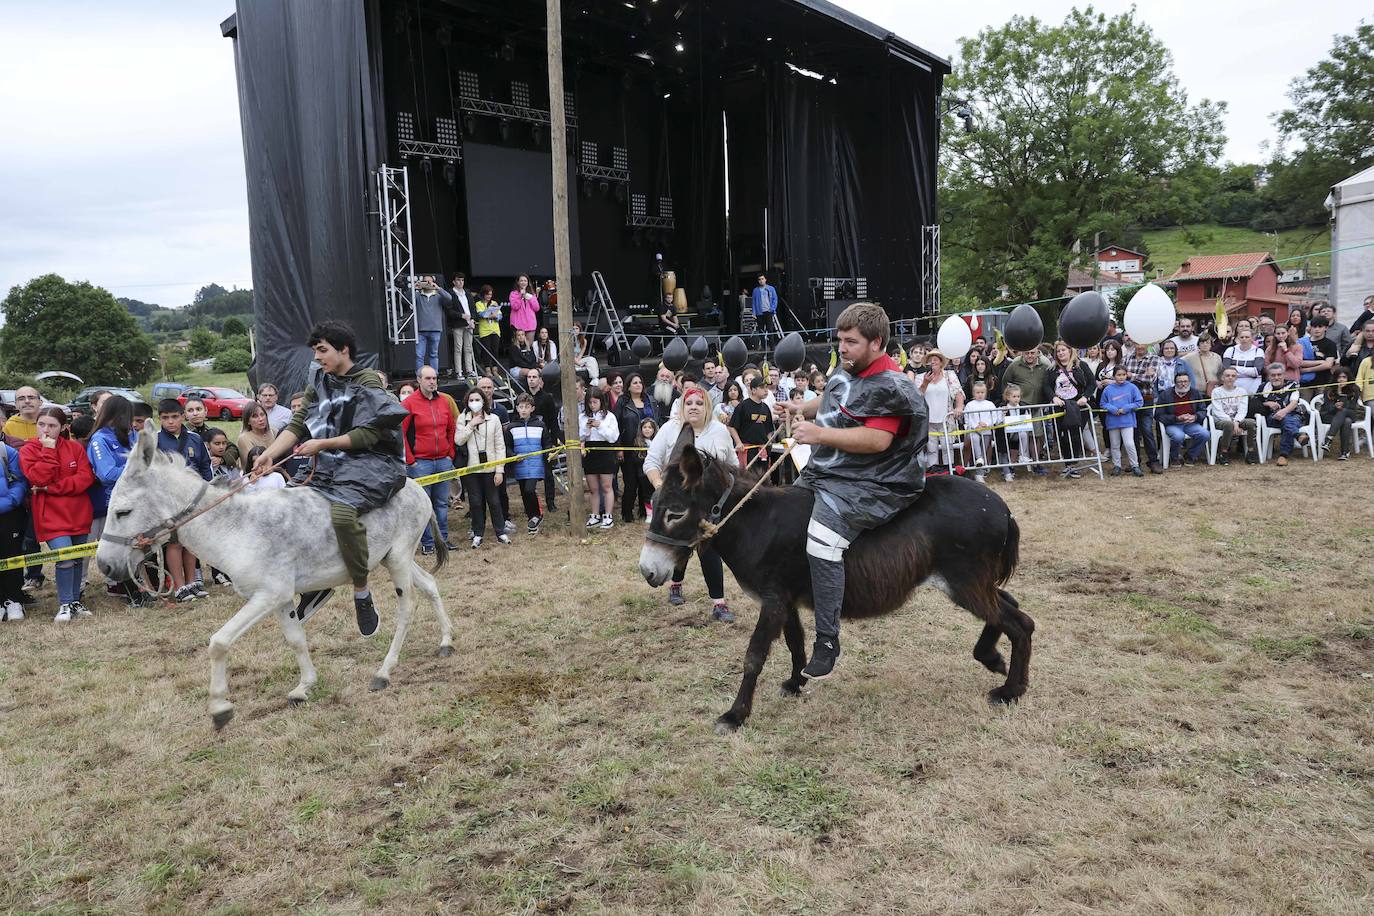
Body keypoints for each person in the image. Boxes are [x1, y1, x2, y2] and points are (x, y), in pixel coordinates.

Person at [783, 303, 926, 680]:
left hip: (874, 481)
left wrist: (818, 434)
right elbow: (834, 397)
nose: (841, 348)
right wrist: (801, 407)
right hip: (829, 470)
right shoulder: (849, 368)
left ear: (877, 342)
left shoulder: (894, 387)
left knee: (821, 542)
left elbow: (878, 440)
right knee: (787, 518)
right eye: (839, 340)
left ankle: (827, 640)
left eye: (850, 342)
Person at [251, 321, 409, 635]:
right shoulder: (319, 380)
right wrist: (269, 453)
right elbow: (298, 424)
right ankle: (316, 584)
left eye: (322, 350)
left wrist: (323, 444)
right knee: (291, 508)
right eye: (316, 351)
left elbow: (368, 434)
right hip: (331, 462)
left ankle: (361, 591)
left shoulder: (367, 382)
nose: (318, 357)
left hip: (372, 462)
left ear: (344, 350)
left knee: (341, 514)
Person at [643, 386, 737, 621]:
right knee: (677, 542)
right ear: (682, 407)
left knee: (709, 550)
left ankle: (719, 602)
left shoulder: (719, 431)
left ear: (707, 407)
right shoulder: (669, 429)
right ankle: (676, 583)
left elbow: (733, 466)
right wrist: (659, 485)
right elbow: (651, 461)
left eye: (699, 403)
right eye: (689, 403)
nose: (693, 407)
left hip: (707, 506)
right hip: (676, 504)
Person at [19, 407, 96, 621]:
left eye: (52, 426)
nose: (45, 430)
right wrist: (48, 451)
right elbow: (38, 479)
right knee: (64, 557)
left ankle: (74, 602)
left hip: (79, 513)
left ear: (63, 428)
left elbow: (85, 479)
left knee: (78, 558)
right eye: (41, 424)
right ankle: (64, 604)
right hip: (50, 516)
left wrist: (52, 489)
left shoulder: (75, 448)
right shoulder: (28, 450)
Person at [154, 399, 211, 601]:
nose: (170, 422)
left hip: (194, 497)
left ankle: (192, 582)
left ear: (182, 416)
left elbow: (205, 467)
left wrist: (207, 491)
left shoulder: (195, 438)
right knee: (175, 542)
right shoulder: (155, 440)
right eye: (165, 418)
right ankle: (179, 586)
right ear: (159, 418)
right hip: (169, 499)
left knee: (191, 541)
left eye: (175, 417)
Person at [401, 366, 457, 554]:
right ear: (419, 380)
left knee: (441, 503)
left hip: (443, 460)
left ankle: (442, 539)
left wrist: (450, 454)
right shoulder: (409, 403)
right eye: (428, 378)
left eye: (434, 378)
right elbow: (399, 434)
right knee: (423, 506)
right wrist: (411, 460)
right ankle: (427, 543)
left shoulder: (444, 401)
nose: (432, 381)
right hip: (420, 463)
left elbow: (451, 428)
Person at [456, 387, 510, 548]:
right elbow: (458, 440)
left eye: (477, 400)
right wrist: (471, 425)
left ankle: (500, 531)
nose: (474, 403)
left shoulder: (494, 419)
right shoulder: (462, 419)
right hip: (471, 469)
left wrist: (499, 470)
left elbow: (500, 446)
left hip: (491, 468)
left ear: (483, 401)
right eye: (471, 400)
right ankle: (477, 532)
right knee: (476, 502)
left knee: (494, 501)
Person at [1043, 340, 1096, 477]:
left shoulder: (1081, 366)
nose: (1061, 353)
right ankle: (1068, 464)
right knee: (1062, 435)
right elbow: (1046, 386)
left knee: (1075, 434)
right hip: (1061, 406)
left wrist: (1085, 397)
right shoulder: (1052, 369)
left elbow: (1091, 383)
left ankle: (1074, 465)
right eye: (1058, 351)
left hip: (1077, 405)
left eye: (1063, 350)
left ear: (1070, 351)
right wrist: (1053, 397)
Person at [506, 393, 551, 533]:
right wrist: (513, 455)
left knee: (529, 489)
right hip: (520, 466)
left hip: (535, 465)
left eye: (527, 407)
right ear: (517, 408)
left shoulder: (540, 425)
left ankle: (538, 514)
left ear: (532, 408)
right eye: (521, 407)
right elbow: (507, 446)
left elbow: (547, 443)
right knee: (524, 493)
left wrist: (548, 454)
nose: (524, 409)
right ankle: (532, 519)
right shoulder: (512, 427)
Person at [614, 373, 654, 523]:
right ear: (628, 386)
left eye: (640, 382)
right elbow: (615, 426)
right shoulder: (622, 402)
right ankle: (627, 513)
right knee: (631, 483)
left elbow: (656, 422)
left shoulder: (650, 401)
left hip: (649, 449)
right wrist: (619, 447)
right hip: (629, 448)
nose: (638, 385)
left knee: (647, 481)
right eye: (634, 382)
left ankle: (645, 511)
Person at [579, 390, 620, 529]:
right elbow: (580, 437)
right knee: (593, 488)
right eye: (589, 402)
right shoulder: (582, 417)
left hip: (605, 451)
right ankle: (595, 515)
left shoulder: (610, 417)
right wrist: (587, 428)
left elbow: (613, 437)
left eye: (595, 402)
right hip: (590, 452)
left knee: (607, 486)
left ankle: (608, 515)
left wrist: (599, 425)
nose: (592, 405)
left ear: (601, 401)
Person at [920, 350, 964, 471]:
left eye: (935, 359)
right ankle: (933, 474)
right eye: (930, 360)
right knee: (931, 448)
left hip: (946, 418)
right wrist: (925, 383)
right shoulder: (920, 377)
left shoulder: (949, 375)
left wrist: (959, 407)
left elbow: (958, 393)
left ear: (941, 363)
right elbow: (916, 397)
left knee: (947, 447)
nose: (932, 361)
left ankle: (949, 472)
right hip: (928, 420)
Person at [523, 367, 560, 512]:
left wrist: (555, 440)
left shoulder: (547, 398)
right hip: (528, 441)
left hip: (544, 440)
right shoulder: (522, 398)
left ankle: (550, 502)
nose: (531, 379)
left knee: (548, 473)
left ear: (539, 379)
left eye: (534, 377)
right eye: (529, 377)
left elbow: (553, 421)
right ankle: (529, 503)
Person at [0, 434, 28, 621]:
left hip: (9, 514)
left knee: (12, 555)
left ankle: (14, 599)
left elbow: (20, 480)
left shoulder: (6, 451)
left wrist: (10, 501)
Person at [1156, 370, 1209, 466]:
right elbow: (1159, 415)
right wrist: (1177, 418)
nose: (1183, 384)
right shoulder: (1166, 394)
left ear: (1189, 382)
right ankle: (1174, 457)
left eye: (1185, 381)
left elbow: (1203, 410)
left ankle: (1190, 455)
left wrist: (1195, 417)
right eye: (1180, 382)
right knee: (1178, 436)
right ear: (1175, 383)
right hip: (1173, 424)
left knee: (1205, 434)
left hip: (1191, 423)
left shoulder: (1195, 393)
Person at [1258, 363, 1307, 466]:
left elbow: (1294, 402)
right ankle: (1297, 436)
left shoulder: (1292, 384)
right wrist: (1267, 403)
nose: (1276, 377)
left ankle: (1283, 456)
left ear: (1284, 375)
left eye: (1279, 375)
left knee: (1286, 421)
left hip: (1293, 415)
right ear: (1268, 376)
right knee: (1286, 421)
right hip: (1272, 418)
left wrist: (1283, 412)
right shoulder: (1263, 387)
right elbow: (1255, 403)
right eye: (1273, 375)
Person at [1100, 364, 1144, 476]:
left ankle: (1135, 465)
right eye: (1118, 375)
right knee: (1114, 445)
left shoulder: (1132, 387)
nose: (1121, 377)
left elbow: (1139, 402)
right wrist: (1113, 409)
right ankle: (1117, 466)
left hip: (1127, 420)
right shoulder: (1108, 389)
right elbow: (1103, 403)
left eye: (1124, 375)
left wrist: (1126, 408)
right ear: (1114, 376)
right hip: (1113, 421)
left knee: (1129, 443)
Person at [1208, 367, 1258, 464]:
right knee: (1228, 425)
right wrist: (1233, 423)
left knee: (1251, 423)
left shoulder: (1242, 391)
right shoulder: (1216, 391)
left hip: (1237, 420)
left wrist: (1237, 422)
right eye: (1227, 375)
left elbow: (1243, 409)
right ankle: (1224, 452)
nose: (1230, 378)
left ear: (1236, 378)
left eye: (1233, 376)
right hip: (1221, 420)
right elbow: (1217, 411)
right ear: (1222, 378)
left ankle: (1251, 451)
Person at [728, 375, 775, 465]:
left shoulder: (766, 408)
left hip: (762, 449)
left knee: (763, 477)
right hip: (746, 449)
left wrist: (768, 442)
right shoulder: (743, 406)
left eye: (766, 387)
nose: (766, 390)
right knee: (746, 477)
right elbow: (732, 427)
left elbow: (769, 430)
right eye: (762, 387)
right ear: (753, 390)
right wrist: (738, 443)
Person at [183, 397, 240, 470]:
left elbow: (233, 449)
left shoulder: (211, 432)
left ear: (205, 411)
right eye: (190, 410)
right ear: (185, 414)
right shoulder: (182, 435)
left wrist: (221, 459)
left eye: (198, 409)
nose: (195, 413)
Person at [412, 274, 453, 374]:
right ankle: (419, 376)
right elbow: (406, 298)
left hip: (435, 330)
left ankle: (434, 375)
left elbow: (449, 298)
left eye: (429, 281)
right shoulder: (418, 295)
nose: (427, 283)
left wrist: (438, 288)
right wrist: (414, 288)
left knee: (434, 354)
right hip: (421, 330)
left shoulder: (438, 296)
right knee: (419, 355)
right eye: (425, 281)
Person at [1317, 367, 1358, 460]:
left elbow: (1352, 406)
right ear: (1335, 378)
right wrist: (1335, 407)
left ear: (1348, 378)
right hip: (1331, 415)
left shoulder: (1354, 389)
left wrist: (1343, 399)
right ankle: (1345, 452)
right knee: (1346, 421)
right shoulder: (1329, 390)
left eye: (1344, 377)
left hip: (1349, 413)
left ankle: (1329, 439)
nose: (1341, 379)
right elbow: (1327, 408)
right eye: (1339, 377)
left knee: (1343, 412)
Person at [962, 381, 1000, 479]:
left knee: (984, 448)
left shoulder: (990, 404)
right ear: (974, 393)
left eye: (982, 392)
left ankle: (980, 474)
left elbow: (994, 417)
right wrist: (975, 427)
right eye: (977, 392)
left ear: (986, 393)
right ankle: (979, 458)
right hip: (973, 430)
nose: (980, 395)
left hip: (986, 430)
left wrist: (986, 424)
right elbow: (967, 418)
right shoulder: (970, 405)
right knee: (974, 438)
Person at [447, 272, 478, 378]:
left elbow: (473, 308)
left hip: (469, 324)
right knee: (458, 348)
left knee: (469, 348)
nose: (460, 282)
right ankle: (458, 371)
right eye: (458, 280)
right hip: (458, 324)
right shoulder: (450, 293)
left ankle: (469, 370)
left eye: (462, 280)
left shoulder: (467, 293)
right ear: (454, 282)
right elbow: (449, 311)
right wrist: (461, 315)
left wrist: (473, 320)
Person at [1300, 315, 1339, 400]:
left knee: (1321, 407)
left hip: (1323, 382)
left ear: (1326, 328)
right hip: (1305, 382)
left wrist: (1306, 370)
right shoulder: (1302, 342)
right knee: (1304, 407)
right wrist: (1320, 362)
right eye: (1314, 326)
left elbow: (1328, 365)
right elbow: (1299, 361)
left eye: (1320, 326)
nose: (1317, 329)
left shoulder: (1330, 344)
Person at [1222, 326, 1266, 395]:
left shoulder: (1258, 351)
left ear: (1252, 338)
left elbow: (1257, 372)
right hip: (1233, 389)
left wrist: (1235, 368)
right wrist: (1249, 371)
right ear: (1238, 338)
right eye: (1242, 337)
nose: (1244, 339)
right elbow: (1226, 370)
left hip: (1252, 389)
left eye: (1247, 337)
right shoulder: (1230, 350)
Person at [508, 274, 540, 351]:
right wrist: (520, 296)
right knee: (517, 347)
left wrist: (531, 298)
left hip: (530, 324)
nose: (523, 282)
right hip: (518, 324)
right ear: (518, 282)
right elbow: (515, 307)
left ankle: (528, 361)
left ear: (528, 282)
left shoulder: (532, 294)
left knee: (529, 346)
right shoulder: (513, 294)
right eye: (521, 280)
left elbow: (536, 308)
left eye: (525, 281)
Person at [751, 273, 779, 347]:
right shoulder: (755, 290)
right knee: (761, 330)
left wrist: (772, 308)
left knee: (770, 329)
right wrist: (753, 313)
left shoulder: (771, 288)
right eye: (759, 279)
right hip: (759, 313)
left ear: (765, 279)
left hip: (768, 311)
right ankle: (764, 347)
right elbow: (753, 302)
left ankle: (772, 346)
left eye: (762, 279)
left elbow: (775, 299)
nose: (761, 281)